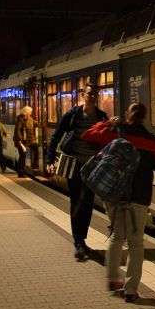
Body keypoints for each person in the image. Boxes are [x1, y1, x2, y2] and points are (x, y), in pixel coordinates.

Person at [82, 102, 155, 303]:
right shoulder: (152, 142)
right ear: (144, 118)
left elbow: (88, 134)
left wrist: (108, 123)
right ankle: (131, 290)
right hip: (139, 198)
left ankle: (112, 278)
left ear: (127, 114)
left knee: (117, 236)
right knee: (136, 244)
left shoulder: (116, 132)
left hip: (114, 195)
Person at [46, 84, 108, 259]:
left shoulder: (102, 117)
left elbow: (106, 139)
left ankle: (82, 239)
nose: (92, 96)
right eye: (89, 93)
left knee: (87, 202)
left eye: (95, 94)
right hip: (73, 165)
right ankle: (78, 241)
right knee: (77, 201)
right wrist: (49, 160)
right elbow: (55, 136)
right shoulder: (72, 115)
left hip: (91, 166)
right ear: (83, 95)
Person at [13, 106, 36, 177]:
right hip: (22, 142)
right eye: (29, 112)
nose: (30, 114)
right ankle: (20, 172)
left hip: (29, 141)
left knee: (36, 148)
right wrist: (19, 141)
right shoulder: (20, 120)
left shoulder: (30, 119)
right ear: (25, 112)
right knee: (22, 156)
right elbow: (17, 130)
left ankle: (35, 165)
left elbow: (36, 123)